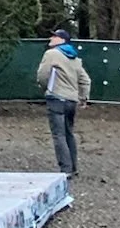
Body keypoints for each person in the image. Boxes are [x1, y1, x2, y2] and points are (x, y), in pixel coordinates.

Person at [36, 26, 91, 177]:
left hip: (56, 99)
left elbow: (42, 74)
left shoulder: (52, 54)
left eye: (54, 36)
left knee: (58, 135)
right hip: (71, 101)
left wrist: (45, 87)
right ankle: (73, 167)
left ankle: (65, 170)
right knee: (69, 133)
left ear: (62, 40)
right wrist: (83, 98)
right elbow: (85, 80)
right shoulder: (75, 58)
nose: (51, 38)